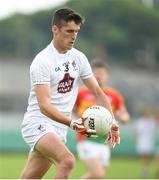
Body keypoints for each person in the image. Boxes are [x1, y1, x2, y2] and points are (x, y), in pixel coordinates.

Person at [20, 8, 120, 179]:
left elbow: (98, 92)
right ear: (55, 29)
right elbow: (44, 106)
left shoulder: (79, 58)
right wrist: (73, 123)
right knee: (67, 161)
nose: (73, 36)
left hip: (59, 128)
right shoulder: (42, 61)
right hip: (38, 123)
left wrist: (112, 122)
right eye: (69, 31)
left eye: (76, 32)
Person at [74, 60, 130, 179]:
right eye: (95, 73)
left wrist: (123, 118)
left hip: (105, 142)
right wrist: (78, 121)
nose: (98, 76)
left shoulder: (114, 95)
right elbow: (71, 112)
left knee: (98, 177)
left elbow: (125, 115)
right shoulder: (81, 93)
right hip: (86, 139)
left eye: (102, 74)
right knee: (97, 174)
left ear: (107, 76)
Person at [135, 108, 156, 178]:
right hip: (142, 140)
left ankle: (145, 169)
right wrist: (136, 139)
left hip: (149, 140)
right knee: (143, 156)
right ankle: (144, 169)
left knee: (146, 156)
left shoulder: (151, 121)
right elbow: (137, 131)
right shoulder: (140, 121)